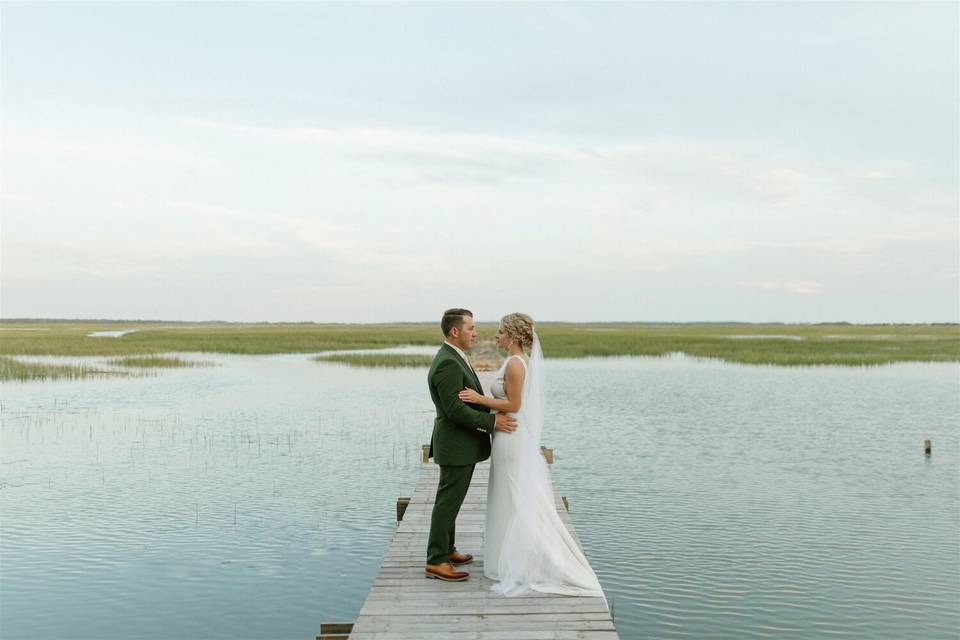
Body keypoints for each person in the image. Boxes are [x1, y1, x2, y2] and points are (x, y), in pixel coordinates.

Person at [458, 313, 605, 597]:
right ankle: (505, 559)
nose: (496, 336)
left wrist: (478, 400)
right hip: (509, 436)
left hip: (511, 438)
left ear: (512, 336)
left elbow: (514, 403)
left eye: (500, 332)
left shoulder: (515, 363)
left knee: (511, 496)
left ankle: (516, 563)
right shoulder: (518, 361)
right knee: (507, 496)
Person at [424, 308, 518, 582]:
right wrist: (493, 423)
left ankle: (447, 549)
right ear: (455, 331)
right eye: (471, 328)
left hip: (459, 443)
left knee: (452, 500)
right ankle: (436, 559)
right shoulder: (447, 363)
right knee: (447, 502)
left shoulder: (454, 357)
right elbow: (454, 410)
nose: (475, 333)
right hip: (455, 444)